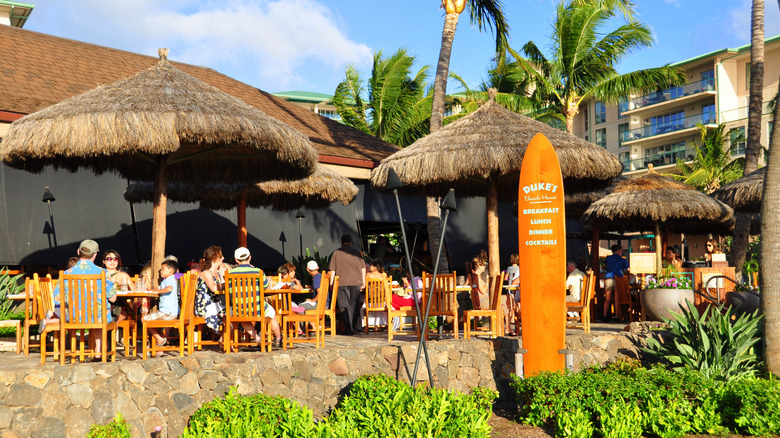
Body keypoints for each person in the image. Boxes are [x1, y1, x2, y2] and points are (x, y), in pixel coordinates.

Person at [54, 239, 117, 359]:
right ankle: (98, 352)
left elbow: (57, 299)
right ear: (95, 255)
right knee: (100, 315)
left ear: (78, 251)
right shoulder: (102, 272)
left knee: (95, 314)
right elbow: (113, 298)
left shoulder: (66, 273)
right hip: (97, 318)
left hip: (73, 317)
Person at [227, 247, 281, 346]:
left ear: (236, 260)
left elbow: (228, 290)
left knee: (242, 319)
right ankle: (278, 338)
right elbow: (266, 286)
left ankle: (257, 338)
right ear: (250, 257)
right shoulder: (258, 271)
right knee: (272, 313)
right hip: (258, 308)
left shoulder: (230, 273)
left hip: (239, 309)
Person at [328, 234, 366, 335]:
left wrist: (331, 283)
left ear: (341, 242)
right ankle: (352, 328)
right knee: (354, 304)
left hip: (341, 282)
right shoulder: (357, 252)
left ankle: (348, 328)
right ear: (350, 242)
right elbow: (363, 268)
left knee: (343, 304)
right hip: (356, 281)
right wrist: (363, 282)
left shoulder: (336, 253)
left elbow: (332, 270)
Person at [142, 259, 179, 356]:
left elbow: (169, 288)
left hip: (167, 312)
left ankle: (159, 339)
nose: (161, 271)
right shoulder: (165, 281)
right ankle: (159, 350)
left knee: (144, 319)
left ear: (170, 271)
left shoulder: (170, 280)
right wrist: (153, 290)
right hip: (169, 312)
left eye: (163, 269)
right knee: (155, 325)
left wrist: (158, 292)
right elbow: (159, 288)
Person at [194, 245, 226, 339]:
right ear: (214, 258)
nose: (223, 258)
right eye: (220, 257)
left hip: (215, 305)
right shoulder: (206, 273)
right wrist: (229, 283)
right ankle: (224, 339)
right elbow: (214, 288)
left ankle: (223, 338)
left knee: (234, 310)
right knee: (232, 312)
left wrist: (224, 276)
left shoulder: (218, 273)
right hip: (204, 307)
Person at [603, 244, 629, 322]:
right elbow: (628, 269)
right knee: (617, 298)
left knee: (607, 298)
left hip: (609, 278)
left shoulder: (608, 258)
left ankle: (604, 316)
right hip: (618, 279)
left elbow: (605, 266)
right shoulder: (622, 259)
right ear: (618, 251)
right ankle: (617, 316)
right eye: (621, 251)